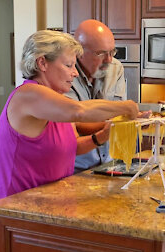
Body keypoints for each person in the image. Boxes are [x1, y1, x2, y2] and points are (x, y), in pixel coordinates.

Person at [0, 30, 138, 252]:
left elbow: (71, 147)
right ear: (42, 63)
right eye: (68, 65)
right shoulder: (28, 95)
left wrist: (101, 136)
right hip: (16, 211)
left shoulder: (53, 102)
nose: (75, 73)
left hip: (48, 207)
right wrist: (124, 107)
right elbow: (80, 111)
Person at [65, 20, 134, 172]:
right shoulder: (64, 75)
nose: (109, 60)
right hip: (75, 167)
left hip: (109, 165)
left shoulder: (115, 67)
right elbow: (73, 123)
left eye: (112, 52)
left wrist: (129, 119)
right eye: (101, 53)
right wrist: (114, 126)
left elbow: (118, 113)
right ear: (79, 52)